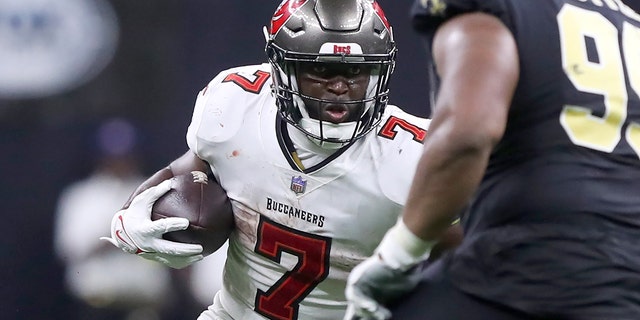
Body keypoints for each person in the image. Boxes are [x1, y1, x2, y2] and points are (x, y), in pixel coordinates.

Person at [100, 1, 461, 319]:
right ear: (281, 68)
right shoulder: (236, 107)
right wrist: (129, 218)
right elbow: (185, 177)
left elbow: (472, 264)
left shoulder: (412, 157)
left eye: (356, 70)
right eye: (321, 69)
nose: (340, 86)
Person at [344, 0, 640, 319]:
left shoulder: (501, 9)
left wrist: (397, 257)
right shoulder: (630, 23)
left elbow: (469, 133)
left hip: (537, 259)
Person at [54, 118, 174, 320]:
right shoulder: (82, 196)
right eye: (114, 156)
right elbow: (69, 251)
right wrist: (118, 234)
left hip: (143, 304)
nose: (120, 161)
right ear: (100, 157)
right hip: (97, 304)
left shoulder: (155, 193)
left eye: (126, 155)